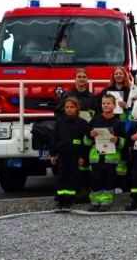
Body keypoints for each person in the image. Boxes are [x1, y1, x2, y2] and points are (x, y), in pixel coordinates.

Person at [53, 68, 98, 200]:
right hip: (69, 134)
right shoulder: (67, 95)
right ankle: (69, 194)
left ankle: (84, 190)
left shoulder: (91, 97)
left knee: (84, 163)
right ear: (75, 78)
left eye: (84, 77)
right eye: (79, 76)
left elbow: (96, 113)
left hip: (85, 131)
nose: (81, 79)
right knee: (68, 168)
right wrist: (65, 124)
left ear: (87, 79)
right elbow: (58, 112)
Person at [84, 94, 125, 212]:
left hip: (111, 159)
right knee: (95, 180)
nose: (105, 105)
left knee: (109, 181)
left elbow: (124, 143)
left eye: (108, 103)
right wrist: (89, 136)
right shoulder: (95, 120)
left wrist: (117, 141)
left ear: (114, 105)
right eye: (103, 103)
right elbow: (86, 142)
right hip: (96, 158)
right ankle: (95, 201)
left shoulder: (118, 123)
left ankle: (106, 202)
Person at [49, 97, 89, 212]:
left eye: (72, 107)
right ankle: (60, 200)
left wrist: (82, 156)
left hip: (74, 155)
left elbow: (85, 143)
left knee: (72, 177)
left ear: (77, 108)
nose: (69, 109)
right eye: (67, 107)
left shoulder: (82, 123)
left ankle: (69, 200)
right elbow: (54, 139)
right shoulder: (59, 123)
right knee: (61, 177)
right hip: (62, 154)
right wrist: (53, 154)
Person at [98, 67, 132, 194]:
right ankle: (108, 184)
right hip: (108, 124)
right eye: (116, 73)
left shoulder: (129, 91)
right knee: (109, 154)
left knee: (123, 155)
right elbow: (99, 107)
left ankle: (120, 184)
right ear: (113, 76)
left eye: (121, 73)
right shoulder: (106, 91)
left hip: (124, 126)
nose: (118, 75)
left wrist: (127, 106)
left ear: (125, 76)